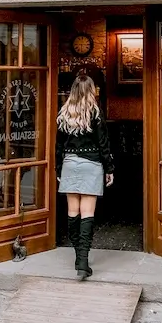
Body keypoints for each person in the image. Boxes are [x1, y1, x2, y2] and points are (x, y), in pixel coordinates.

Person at [56, 72, 114, 280]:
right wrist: (109, 168)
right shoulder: (96, 113)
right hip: (92, 165)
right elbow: (103, 144)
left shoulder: (64, 113)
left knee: (73, 213)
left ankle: (78, 257)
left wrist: (58, 169)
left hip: (70, 164)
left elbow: (59, 146)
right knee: (87, 214)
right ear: (91, 91)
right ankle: (82, 262)